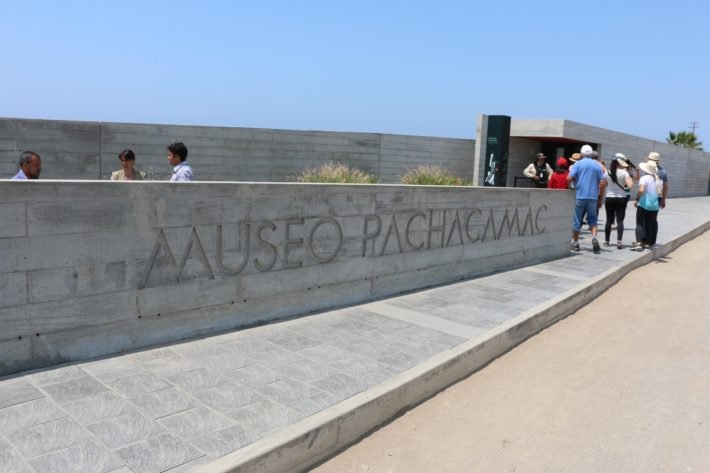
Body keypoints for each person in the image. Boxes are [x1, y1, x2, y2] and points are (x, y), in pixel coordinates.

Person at [567, 144, 606, 252]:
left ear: (582, 154)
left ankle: (575, 242)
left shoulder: (578, 164)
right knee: (593, 219)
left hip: (580, 195)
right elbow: (602, 182)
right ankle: (594, 237)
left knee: (577, 220)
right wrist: (600, 198)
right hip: (593, 196)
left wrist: (572, 184)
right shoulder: (597, 166)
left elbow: (569, 178)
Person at [603, 154, 634, 249]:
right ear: (620, 164)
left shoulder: (607, 173)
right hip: (621, 198)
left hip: (609, 197)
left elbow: (605, 184)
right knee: (620, 220)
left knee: (609, 219)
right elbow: (630, 185)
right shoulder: (624, 173)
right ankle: (619, 241)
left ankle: (607, 241)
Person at [632, 160, 663, 251]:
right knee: (650, 224)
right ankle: (648, 243)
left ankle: (639, 242)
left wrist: (637, 199)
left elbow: (641, 190)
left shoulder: (644, 178)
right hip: (655, 206)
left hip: (644, 204)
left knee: (639, 224)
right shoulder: (659, 180)